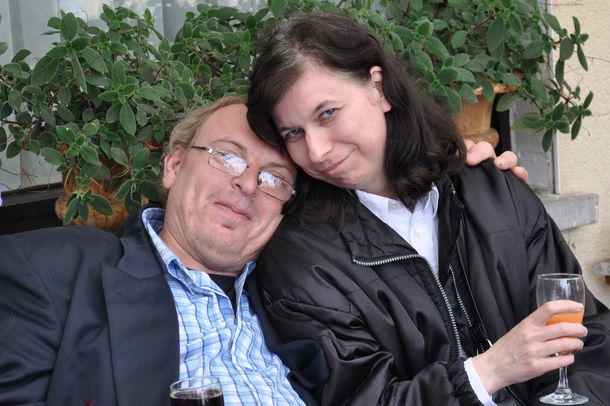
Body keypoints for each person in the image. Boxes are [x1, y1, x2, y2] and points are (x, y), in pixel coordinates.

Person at [0, 93, 520, 405]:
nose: (247, 184)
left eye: (274, 178)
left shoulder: (307, 295)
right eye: (227, 158)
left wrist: (470, 191)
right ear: (174, 166)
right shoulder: (57, 271)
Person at [246, 12, 610, 406]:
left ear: (378, 88)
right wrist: (487, 372)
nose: (316, 151)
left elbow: (587, 339)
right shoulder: (299, 259)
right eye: (294, 133)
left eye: (328, 113)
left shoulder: (491, 189)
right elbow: (361, 398)